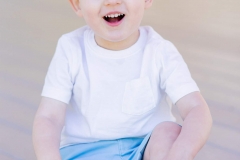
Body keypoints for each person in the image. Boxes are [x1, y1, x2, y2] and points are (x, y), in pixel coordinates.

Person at [33, 0, 212, 159]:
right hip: (84, 152)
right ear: (76, 4)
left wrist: (182, 152)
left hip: (143, 150)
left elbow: (196, 108)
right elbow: (49, 117)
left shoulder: (160, 51)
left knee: (169, 132)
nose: (112, 2)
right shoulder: (70, 48)